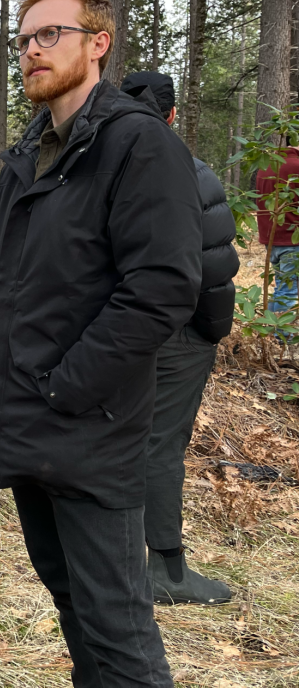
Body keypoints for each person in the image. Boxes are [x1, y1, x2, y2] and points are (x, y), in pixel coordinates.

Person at [0, 0, 203, 687]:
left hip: (88, 427)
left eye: (50, 35)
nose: (32, 51)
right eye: (23, 40)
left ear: (97, 45)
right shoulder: (31, 154)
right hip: (25, 420)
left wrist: (67, 386)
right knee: (73, 606)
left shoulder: (138, 146)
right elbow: (0, 279)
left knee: (118, 629)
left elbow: (162, 289)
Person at [120, 71, 239, 606]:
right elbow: (215, 265)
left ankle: (121, 557)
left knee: (127, 441)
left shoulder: (102, 167)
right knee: (161, 446)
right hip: (176, 333)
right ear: (171, 116)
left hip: (116, 332)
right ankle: (166, 569)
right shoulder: (189, 171)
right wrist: (210, 331)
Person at [255, 128, 299, 331]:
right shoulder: (296, 166)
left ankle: (266, 333)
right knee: (288, 292)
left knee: (282, 288)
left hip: (271, 240)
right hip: (292, 240)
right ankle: (281, 339)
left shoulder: (267, 165)